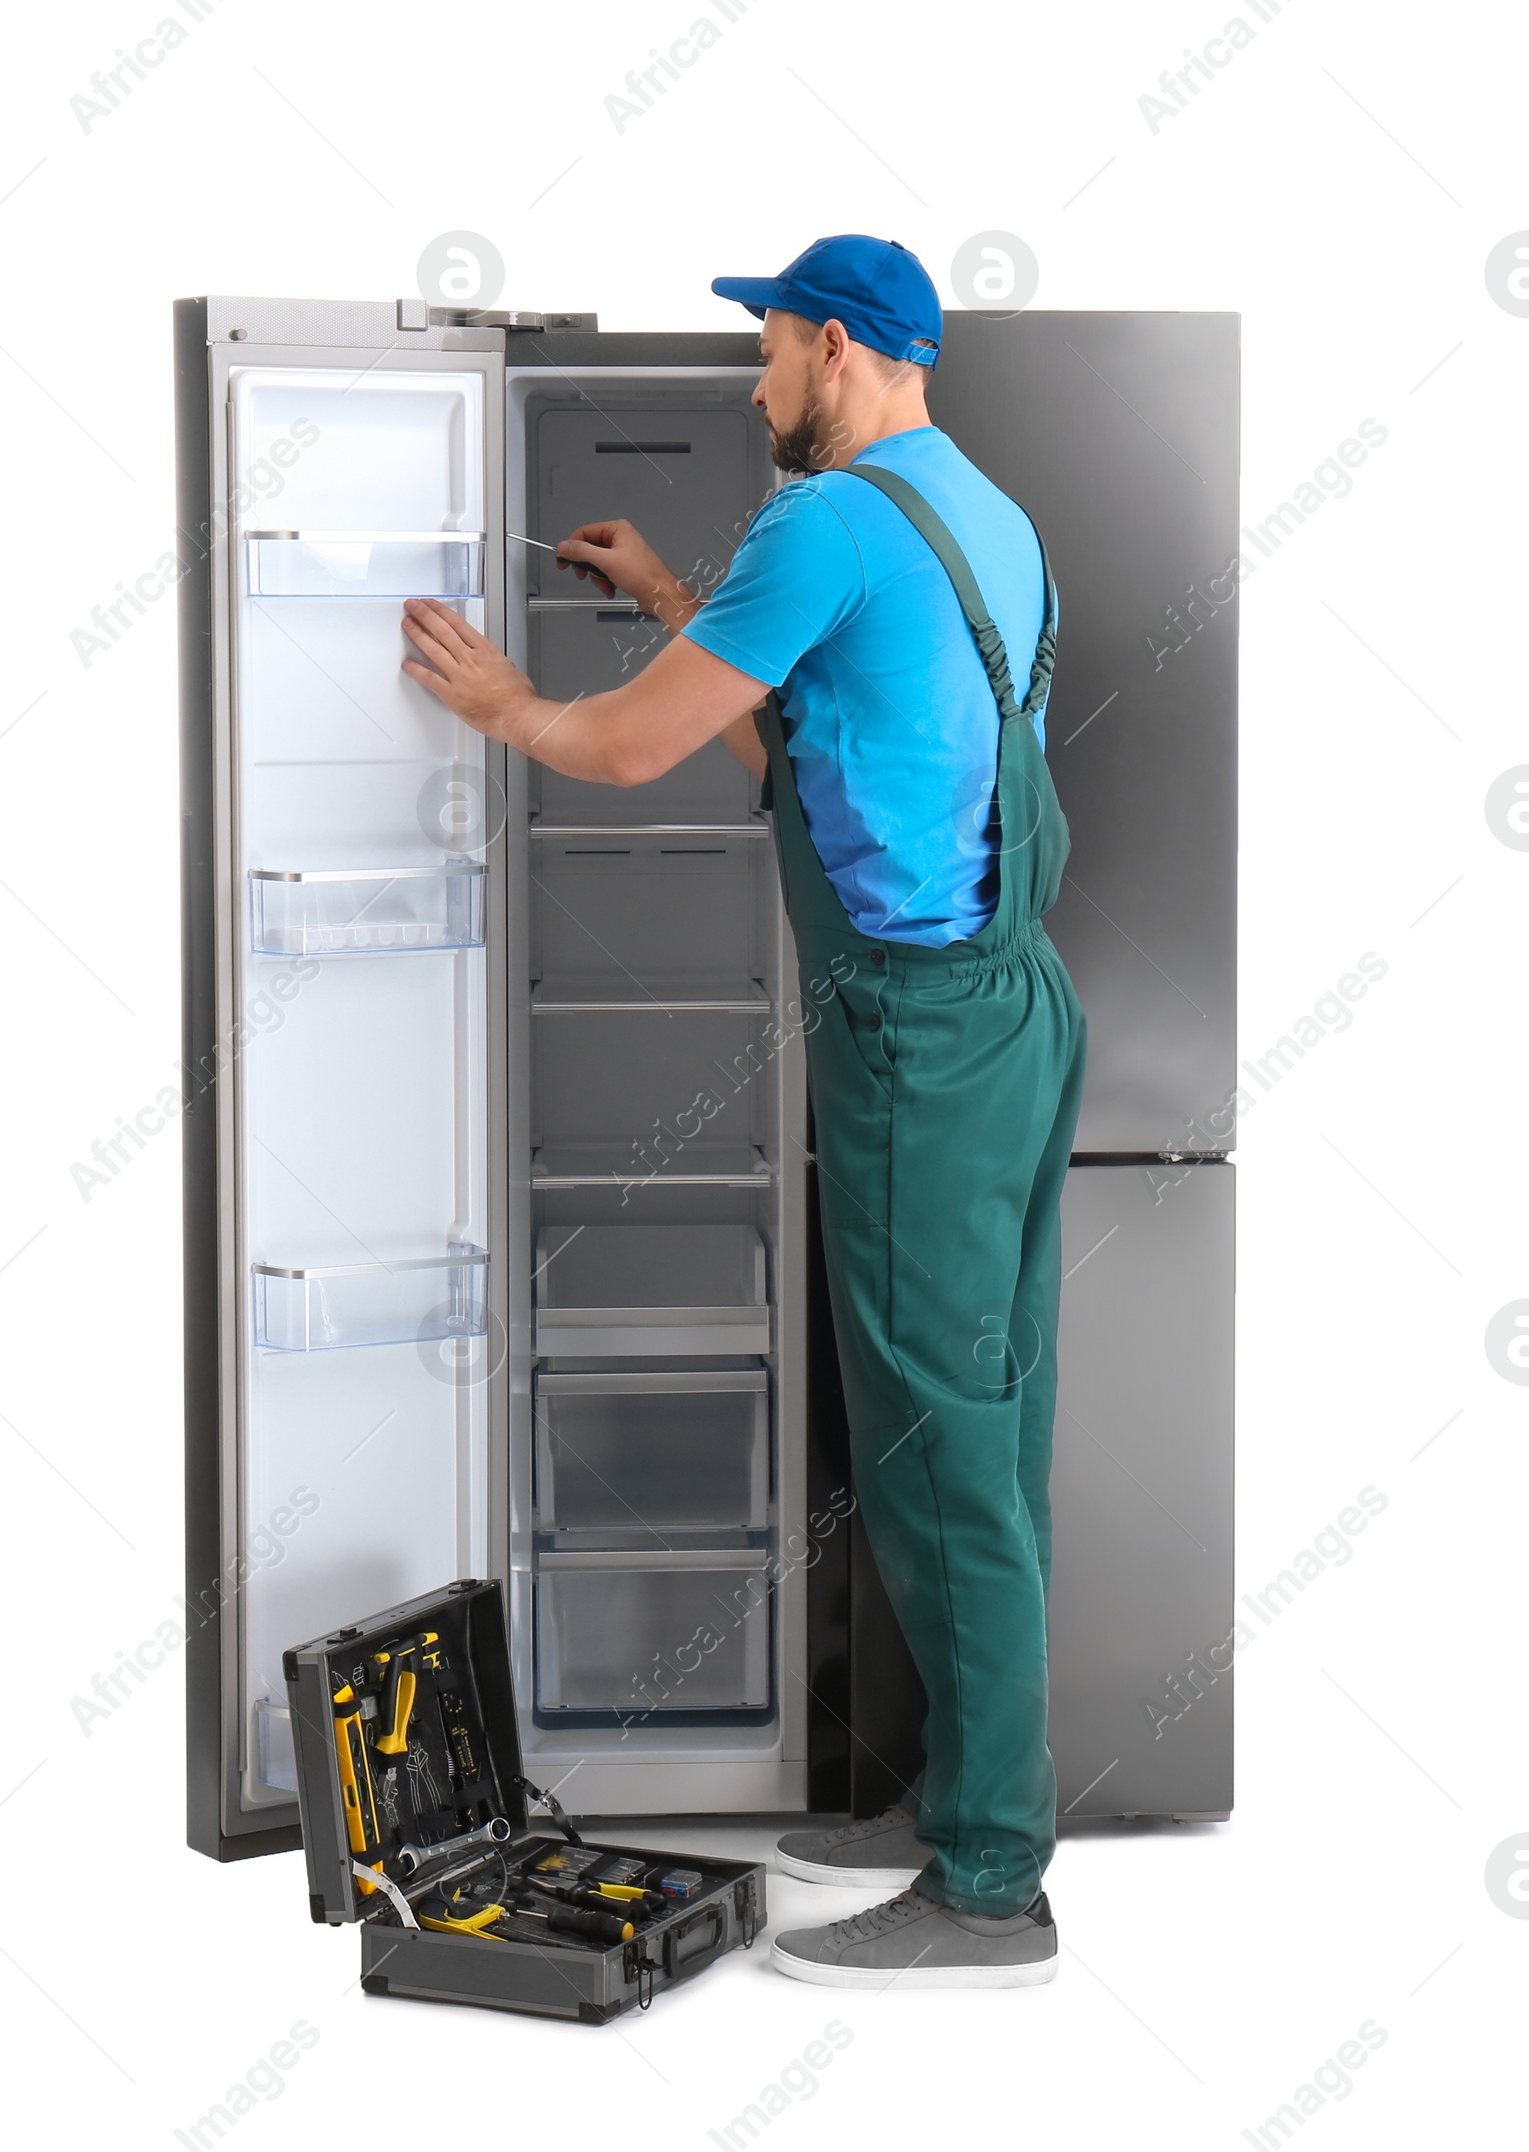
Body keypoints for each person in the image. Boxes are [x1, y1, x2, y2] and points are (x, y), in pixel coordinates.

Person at [399, 234, 1086, 1991]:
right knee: (968, 1432)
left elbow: (627, 752)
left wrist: (501, 702)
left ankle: (994, 1887)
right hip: (1009, 1012)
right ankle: (946, 1802)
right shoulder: (978, 511)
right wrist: (666, 614)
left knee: (948, 1461)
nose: (754, 384)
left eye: (768, 351)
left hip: (919, 1040)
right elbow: (815, 744)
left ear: (840, 350)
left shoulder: (825, 521)